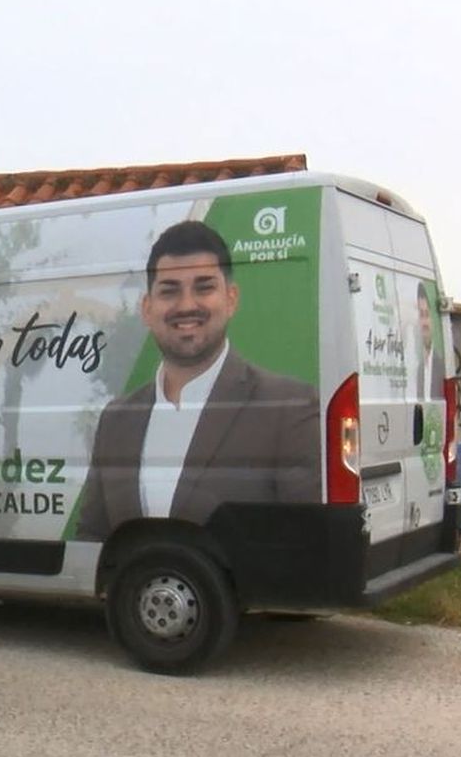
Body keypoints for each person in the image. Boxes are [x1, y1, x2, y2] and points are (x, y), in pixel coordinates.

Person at [73, 220, 321, 542]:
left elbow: (306, 544)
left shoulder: (289, 408)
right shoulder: (117, 420)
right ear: (147, 309)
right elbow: (92, 537)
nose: (187, 305)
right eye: (169, 290)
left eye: (204, 288)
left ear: (231, 299)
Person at [414, 283, 446, 400]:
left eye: (426, 315)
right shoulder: (419, 369)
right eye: (421, 315)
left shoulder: (442, 366)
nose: (425, 323)